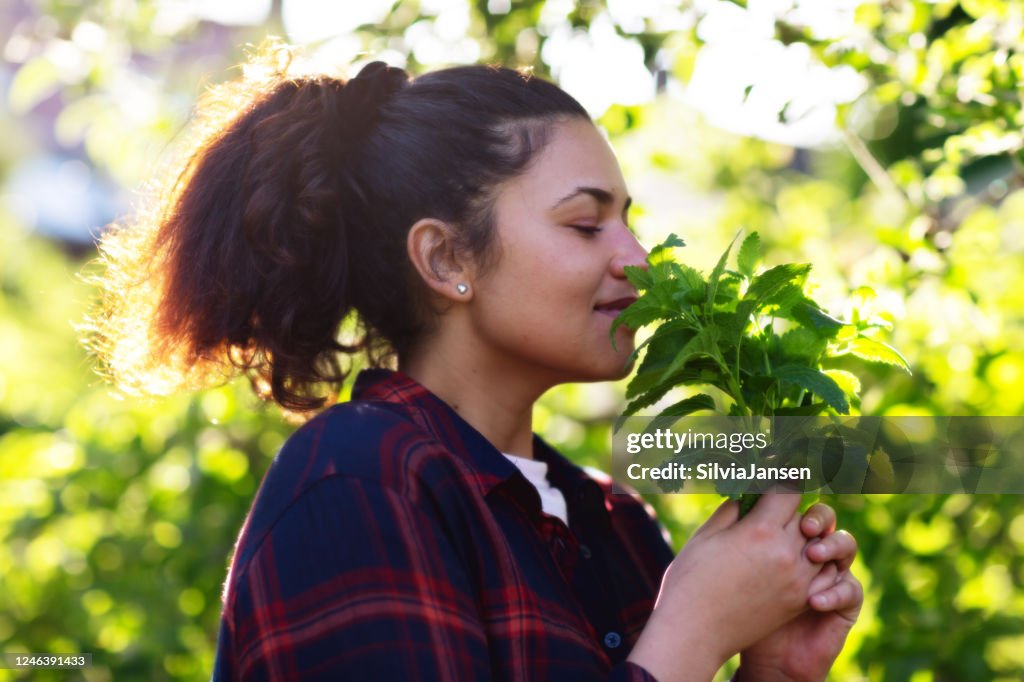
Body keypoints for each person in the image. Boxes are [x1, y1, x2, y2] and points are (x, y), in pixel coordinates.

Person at [91, 46, 862, 681]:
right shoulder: (357, 480)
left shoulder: (615, 523)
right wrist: (693, 631)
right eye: (586, 223)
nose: (639, 260)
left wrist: (772, 672)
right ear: (446, 256)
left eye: (630, 221)